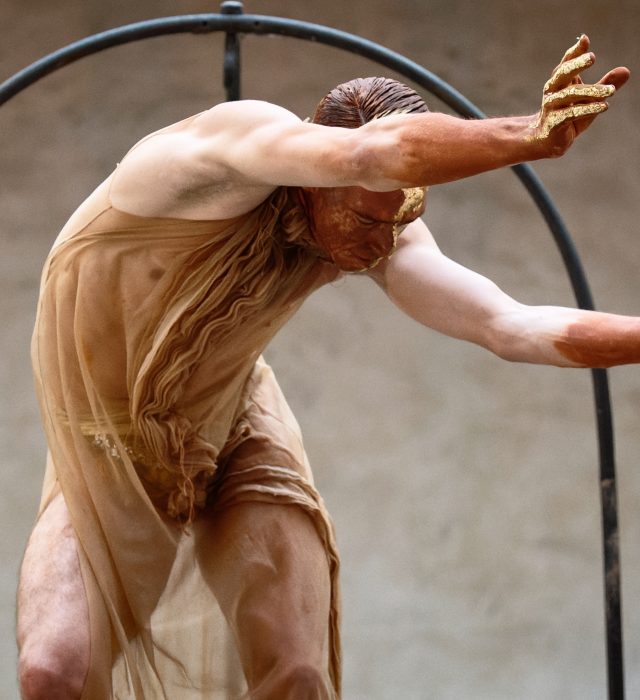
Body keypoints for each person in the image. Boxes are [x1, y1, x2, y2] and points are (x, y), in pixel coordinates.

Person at [16, 34, 632, 699]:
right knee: (53, 671)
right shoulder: (231, 148)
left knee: (296, 671)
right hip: (104, 442)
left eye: (402, 217)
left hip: (235, 418)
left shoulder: (382, 222)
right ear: (319, 181)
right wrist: (527, 136)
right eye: (368, 218)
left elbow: (507, 325)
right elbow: (371, 152)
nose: (383, 241)